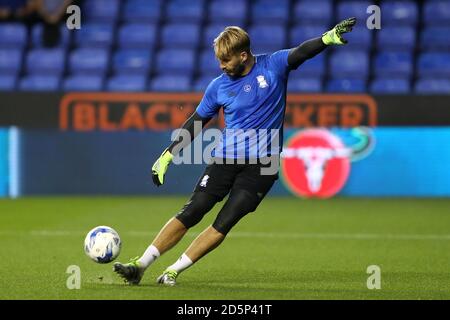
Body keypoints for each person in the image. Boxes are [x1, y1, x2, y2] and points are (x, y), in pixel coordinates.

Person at [113, 18, 357, 286]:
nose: (221, 66)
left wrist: (327, 38)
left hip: (262, 167)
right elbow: (197, 120)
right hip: (225, 160)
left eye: (226, 60)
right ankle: (141, 265)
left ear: (243, 55)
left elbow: (301, 52)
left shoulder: (273, 65)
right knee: (194, 209)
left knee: (225, 220)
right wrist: (169, 153)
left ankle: (174, 270)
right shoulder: (218, 85)